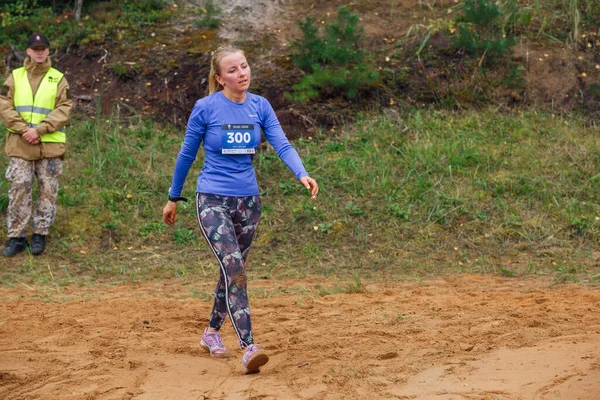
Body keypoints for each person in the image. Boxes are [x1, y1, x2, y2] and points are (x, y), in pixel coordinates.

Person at [162, 44, 319, 374]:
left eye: (244, 66)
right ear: (220, 78)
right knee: (234, 268)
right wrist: (173, 197)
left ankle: (211, 333)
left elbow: (281, 143)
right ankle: (249, 347)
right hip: (212, 200)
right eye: (232, 70)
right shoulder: (206, 109)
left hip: (249, 203)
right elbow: (186, 156)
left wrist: (301, 173)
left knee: (231, 271)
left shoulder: (260, 106)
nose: (241, 73)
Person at [0, 33, 73, 257]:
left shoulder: (58, 78)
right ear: (28, 51)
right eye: (35, 48)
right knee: (19, 190)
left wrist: (39, 129)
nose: (39, 52)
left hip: (49, 146)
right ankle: (17, 238)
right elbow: (4, 104)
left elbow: (65, 107)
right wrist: (25, 130)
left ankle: (40, 235)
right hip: (20, 145)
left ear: (48, 51)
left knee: (47, 192)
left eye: (43, 48)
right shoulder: (15, 77)